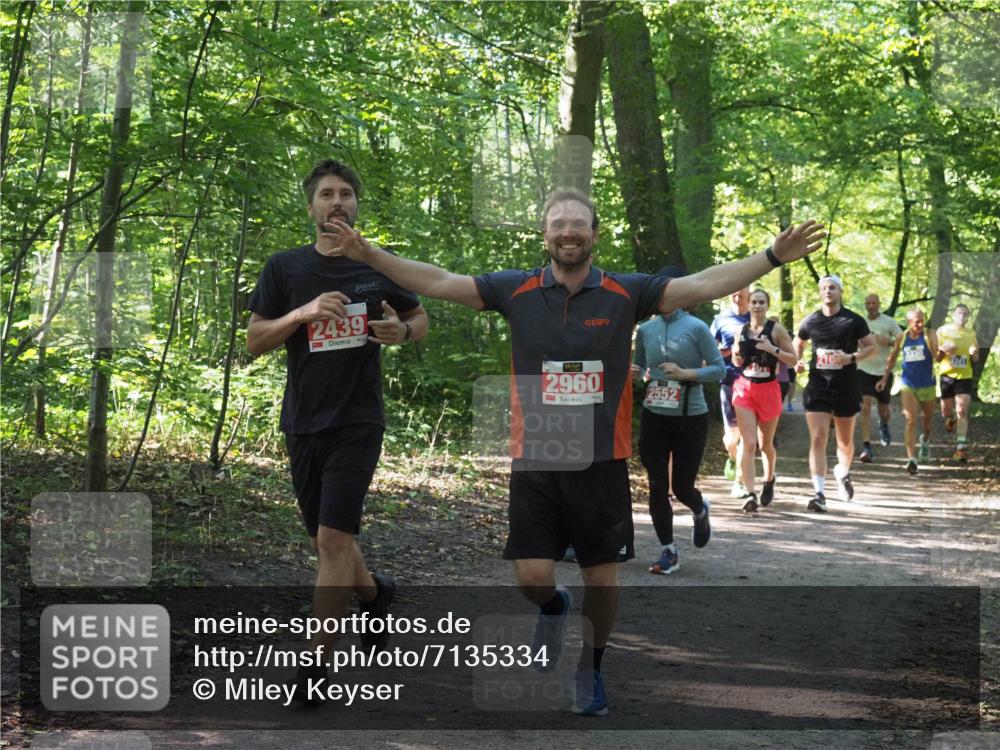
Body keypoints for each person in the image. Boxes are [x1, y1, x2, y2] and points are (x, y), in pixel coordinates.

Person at [324, 186, 824, 716]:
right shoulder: (514, 290)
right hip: (537, 455)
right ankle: (554, 607)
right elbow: (441, 282)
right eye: (558, 223)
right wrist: (369, 254)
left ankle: (592, 666)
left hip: (600, 459)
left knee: (601, 576)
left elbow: (700, 283)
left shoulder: (625, 292)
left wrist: (771, 256)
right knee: (532, 577)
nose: (567, 231)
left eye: (577, 223)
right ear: (545, 234)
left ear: (593, 234)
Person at [246, 159, 429, 702]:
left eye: (346, 193)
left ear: (356, 205)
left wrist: (401, 330)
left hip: (358, 419)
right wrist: (301, 313)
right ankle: (373, 597)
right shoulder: (285, 268)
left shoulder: (378, 267)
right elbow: (256, 340)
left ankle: (316, 671)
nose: (338, 202)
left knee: (332, 540)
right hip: (302, 421)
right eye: (327, 194)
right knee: (327, 542)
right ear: (311, 207)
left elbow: (419, 321)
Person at [633, 267, 725, 574]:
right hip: (654, 415)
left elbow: (719, 369)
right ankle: (668, 551)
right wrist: (636, 373)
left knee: (682, 488)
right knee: (657, 484)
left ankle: (700, 509)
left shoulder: (697, 327)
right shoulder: (646, 330)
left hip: (690, 416)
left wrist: (688, 374)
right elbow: (640, 368)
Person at [794, 275, 876, 512]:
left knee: (845, 442)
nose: (828, 291)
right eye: (824, 288)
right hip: (818, 386)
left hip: (846, 387)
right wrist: (797, 362)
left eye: (832, 288)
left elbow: (871, 347)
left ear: (840, 291)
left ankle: (843, 472)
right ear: (820, 293)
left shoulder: (853, 320)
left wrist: (851, 357)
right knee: (818, 437)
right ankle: (819, 492)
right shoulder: (811, 321)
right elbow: (797, 344)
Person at [730, 290, 798, 512]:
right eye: (754, 302)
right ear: (748, 305)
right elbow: (735, 357)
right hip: (745, 389)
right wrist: (736, 357)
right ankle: (750, 494)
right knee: (748, 443)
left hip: (769, 389)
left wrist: (772, 349)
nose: (757, 306)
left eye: (761, 302)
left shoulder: (776, 329)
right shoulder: (741, 329)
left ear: (767, 305)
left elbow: (793, 358)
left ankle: (769, 479)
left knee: (765, 444)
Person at [878, 308, 938, 474]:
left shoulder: (929, 335)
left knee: (927, 423)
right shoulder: (902, 337)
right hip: (908, 384)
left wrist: (942, 352)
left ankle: (925, 442)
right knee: (910, 421)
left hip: (928, 384)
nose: (920, 324)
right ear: (909, 322)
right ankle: (911, 459)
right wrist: (884, 378)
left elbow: (937, 357)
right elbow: (892, 358)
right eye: (916, 321)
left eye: (922, 320)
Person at [710, 288, 750, 496]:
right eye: (734, 292)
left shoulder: (755, 317)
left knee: (745, 436)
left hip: (751, 383)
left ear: (749, 294)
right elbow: (707, 348)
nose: (738, 296)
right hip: (727, 380)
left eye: (742, 292)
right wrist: (720, 352)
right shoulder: (720, 319)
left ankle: (740, 482)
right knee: (731, 438)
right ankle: (733, 457)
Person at [856, 294, 902, 462]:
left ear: (879, 304)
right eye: (868, 303)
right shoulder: (860, 322)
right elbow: (850, 341)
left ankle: (883, 424)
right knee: (865, 407)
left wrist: (889, 341)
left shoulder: (889, 322)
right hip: (863, 369)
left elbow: (901, 340)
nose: (871, 306)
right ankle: (867, 446)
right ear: (865, 305)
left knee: (884, 409)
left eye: (874, 303)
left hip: (883, 371)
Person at [935, 303, 979, 462]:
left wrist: (974, 353)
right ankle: (950, 418)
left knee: (962, 409)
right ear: (953, 315)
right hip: (947, 375)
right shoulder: (943, 331)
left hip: (965, 376)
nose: (962, 317)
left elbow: (975, 357)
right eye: (960, 313)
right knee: (946, 411)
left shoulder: (971, 333)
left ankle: (960, 448)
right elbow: (937, 357)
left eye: (965, 314)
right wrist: (944, 350)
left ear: (968, 317)